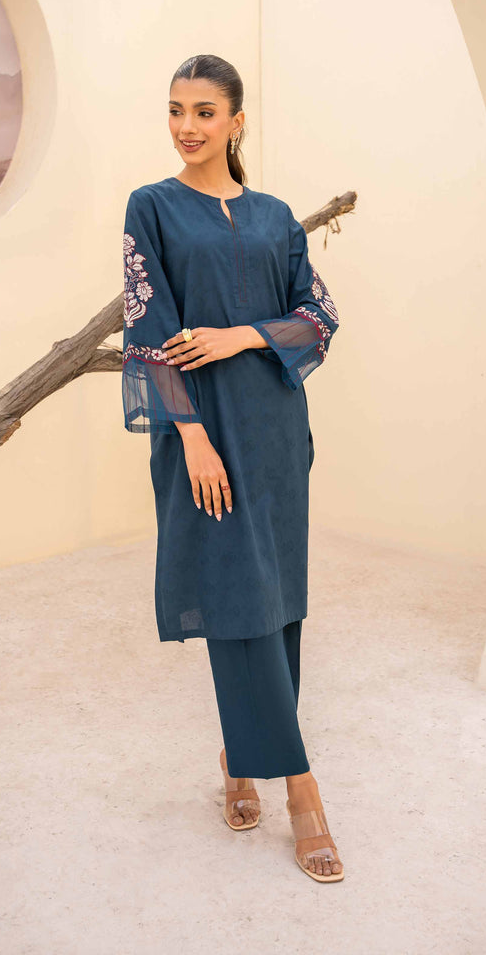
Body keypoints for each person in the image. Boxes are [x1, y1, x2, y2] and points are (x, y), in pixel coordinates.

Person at [121, 54, 344, 882]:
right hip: (205, 435)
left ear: (236, 121)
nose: (187, 127)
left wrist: (241, 335)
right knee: (237, 598)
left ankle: (240, 757)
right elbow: (150, 329)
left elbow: (318, 317)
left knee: (278, 602)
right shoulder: (152, 207)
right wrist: (192, 437)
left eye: (205, 112)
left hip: (276, 429)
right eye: (176, 110)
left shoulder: (276, 216)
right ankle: (302, 790)